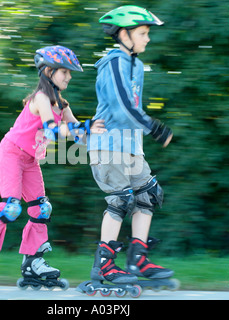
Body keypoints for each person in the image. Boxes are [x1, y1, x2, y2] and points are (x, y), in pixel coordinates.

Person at [0, 45, 105, 287]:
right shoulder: (41, 99)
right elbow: (53, 132)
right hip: (12, 153)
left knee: (42, 209)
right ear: (48, 71)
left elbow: (78, 134)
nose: (69, 76)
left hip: (31, 160)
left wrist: (102, 134)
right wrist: (86, 127)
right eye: (65, 72)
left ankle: (32, 262)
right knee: (11, 208)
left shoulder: (62, 106)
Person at [87, 6, 174, 286]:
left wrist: (143, 133)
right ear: (124, 34)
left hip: (130, 147)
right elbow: (123, 106)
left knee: (148, 195)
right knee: (121, 200)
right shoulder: (114, 62)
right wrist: (154, 127)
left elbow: (132, 108)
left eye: (147, 33)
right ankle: (104, 267)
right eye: (143, 33)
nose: (147, 39)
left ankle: (137, 259)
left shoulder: (134, 64)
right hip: (108, 146)